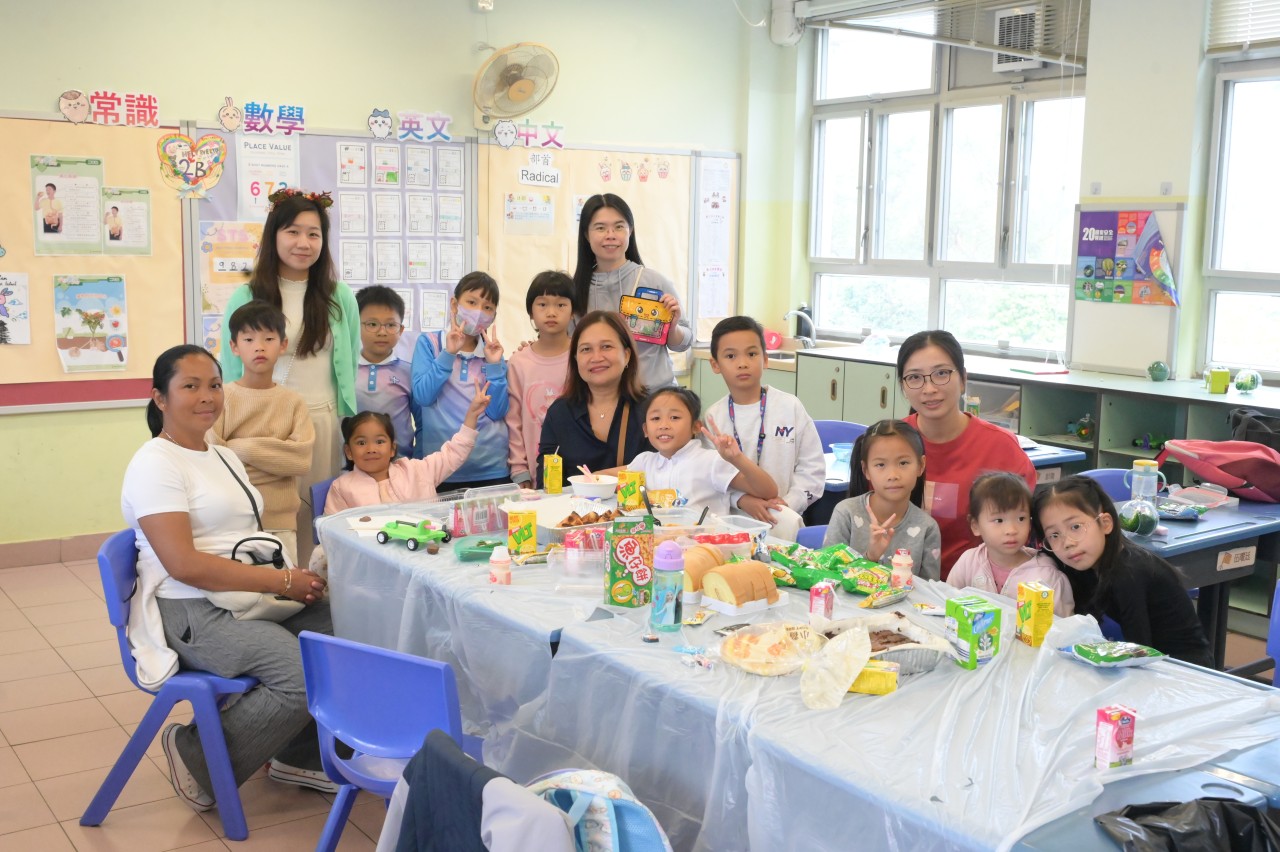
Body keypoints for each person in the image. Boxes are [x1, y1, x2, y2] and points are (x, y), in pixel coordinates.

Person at [120, 345, 334, 813]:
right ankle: (194, 755)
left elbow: (242, 540)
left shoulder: (221, 455)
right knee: (299, 676)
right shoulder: (156, 463)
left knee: (343, 633)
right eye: (190, 386)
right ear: (160, 398)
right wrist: (281, 583)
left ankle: (294, 756)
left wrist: (291, 577)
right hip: (190, 609)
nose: (207, 396)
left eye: (214, 385)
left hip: (240, 595)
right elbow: (184, 564)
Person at [219, 189, 360, 562]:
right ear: (274, 235)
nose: (304, 243)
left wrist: (347, 418)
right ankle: (271, 583)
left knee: (318, 515)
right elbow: (231, 366)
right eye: (293, 232)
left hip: (322, 421)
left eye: (314, 234)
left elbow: (350, 358)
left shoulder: (339, 296)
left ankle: (317, 586)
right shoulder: (247, 295)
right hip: (262, 423)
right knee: (268, 515)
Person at [896, 330, 1035, 579]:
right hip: (900, 580)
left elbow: (1025, 530)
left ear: (963, 379)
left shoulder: (1000, 448)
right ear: (903, 387)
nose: (929, 388)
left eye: (941, 373)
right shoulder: (890, 444)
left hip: (978, 586)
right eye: (914, 377)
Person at [1032, 475, 1213, 667]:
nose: (1067, 543)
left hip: (1185, 670)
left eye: (1075, 527)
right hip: (1152, 663)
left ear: (1105, 523)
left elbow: (1138, 653)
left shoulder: (1130, 573)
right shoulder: (1085, 563)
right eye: (1054, 535)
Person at [210, 301, 315, 566]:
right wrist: (275, 463)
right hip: (233, 519)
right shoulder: (222, 399)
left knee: (286, 585)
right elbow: (215, 460)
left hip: (282, 521)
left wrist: (240, 448)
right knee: (241, 587)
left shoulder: (293, 402)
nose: (259, 347)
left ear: (282, 345)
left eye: (268, 339)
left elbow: (300, 461)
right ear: (234, 346)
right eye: (248, 339)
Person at [702, 315, 824, 527]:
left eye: (751, 354)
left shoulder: (790, 407)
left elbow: (813, 470)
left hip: (784, 519)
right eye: (730, 356)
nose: (742, 363)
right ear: (715, 364)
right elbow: (710, 476)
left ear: (765, 359)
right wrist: (741, 500)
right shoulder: (714, 417)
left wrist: (788, 502)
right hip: (732, 522)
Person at [572, 194, 692, 390]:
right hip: (601, 398)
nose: (610, 235)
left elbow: (683, 343)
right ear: (586, 234)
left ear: (631, 231)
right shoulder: (575, 290)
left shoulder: (654, 282)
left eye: (619, 227)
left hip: (654, 396)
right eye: (600, 228)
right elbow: (566, 346)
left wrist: (673, 327)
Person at [411, 272, 509, 490]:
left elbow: (497, 412)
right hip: (441, 469)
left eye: (487, 307)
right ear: (454, 304)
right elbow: (423, 396)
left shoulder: (492, 352)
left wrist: (494, 365)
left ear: (493, 316)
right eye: (471, 302)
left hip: (491, 468)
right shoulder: (430, 343)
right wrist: (448, 353)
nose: (478, 312)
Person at [325, 388, 488, 513]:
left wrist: (472, 416)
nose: (371, 449)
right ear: (349, 452)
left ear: (392, 449)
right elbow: (331, 530)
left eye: (380, 441)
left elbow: (452, 454)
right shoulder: (341, 487)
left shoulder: (416, 470)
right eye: (361, 443)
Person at [536, 311, 652, 486]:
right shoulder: (559, 413)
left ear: (627, 355)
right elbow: (546, 484)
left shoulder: (651, 410)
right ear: (576, 359)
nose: (596, 357)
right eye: (586, 349)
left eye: (606, 346)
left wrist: (600, 478)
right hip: (573, 504)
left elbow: (665, 470)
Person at [625, 387, 778, 518]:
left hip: (706, 541)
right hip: (658, 542)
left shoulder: (711, 461)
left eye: (674, 417)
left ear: (696, 427)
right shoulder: (643, 462)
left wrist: (737, 458)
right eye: (655, 418)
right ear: (645, 430)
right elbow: (616, 479)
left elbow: (768, 491)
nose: (663, 425)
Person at [823, 419, 941, 579]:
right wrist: (870, 557)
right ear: (866, 470)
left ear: (920, 465)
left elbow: (929, 589)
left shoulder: (927, 528)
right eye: (880, 465)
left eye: (903, 463)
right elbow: (827, 577)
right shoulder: (846, 513)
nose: (893, 475)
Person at [947, 472, 1073, 615]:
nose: (1011, 530)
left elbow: (1065, 625)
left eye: (1021, 519)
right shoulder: (968, 562)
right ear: (976, 526)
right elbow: (947, 603)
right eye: (999, 520)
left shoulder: (1046, 575)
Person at [506, 270, 574, 488]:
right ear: (530, 312)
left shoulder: (582, 357)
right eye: (542, 305)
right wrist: (519, 469)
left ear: (573, 311)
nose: (551, 312)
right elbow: (513, 419)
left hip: (578, 471)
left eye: (561, 305)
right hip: (534, 474)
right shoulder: (519, 362)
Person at [355, 285, 414, 457]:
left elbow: (422, 423)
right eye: (372, 324)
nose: (382, 332)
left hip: (400, 465)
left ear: (401, 330)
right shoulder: (344, 371)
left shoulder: (409, 372)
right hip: (352, 467)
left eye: (390, 325)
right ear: (355, 325)